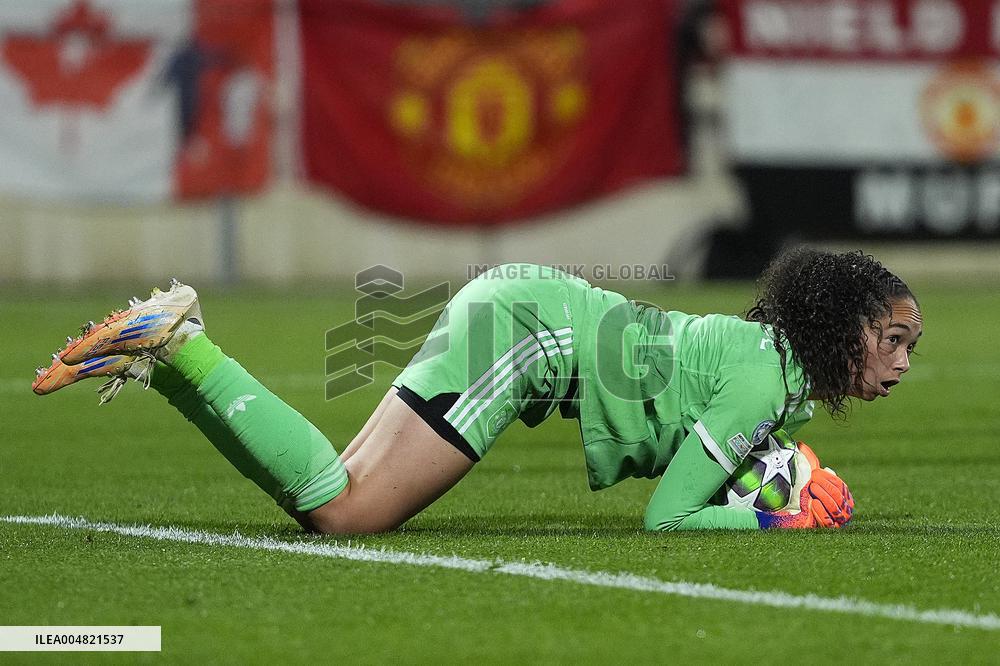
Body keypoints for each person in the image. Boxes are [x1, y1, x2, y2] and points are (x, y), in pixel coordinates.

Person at [32, 248, 921, 533]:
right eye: (893, 342)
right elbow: (670, 517)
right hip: (528, 334)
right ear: (843, 331)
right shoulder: (768, 377)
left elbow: (709, 440)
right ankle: (182, 347)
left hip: (529, 310)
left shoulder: (779, 372)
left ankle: (169, 348)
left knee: (340, 484)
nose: (902, 365)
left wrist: (784, 470)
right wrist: (775, 516)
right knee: (347, 514)